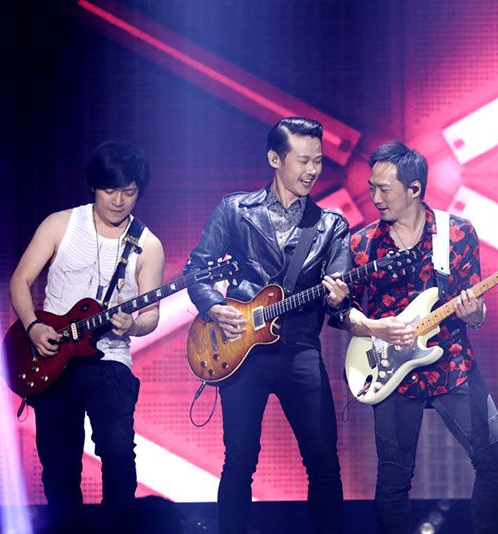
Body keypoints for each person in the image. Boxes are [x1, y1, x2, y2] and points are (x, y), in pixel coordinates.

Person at [183, 117, 350, 534]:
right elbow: (197, 269)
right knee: (239, 461)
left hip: (301, 350)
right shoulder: (235, 210)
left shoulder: (331, 225)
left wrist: (338, 298)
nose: (312, 170)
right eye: (304, 160)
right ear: (275, 158)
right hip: (242, 349)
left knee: (323, 462)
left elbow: (340, 295)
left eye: (319, 161)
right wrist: (213, 307)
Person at [336, 141, 498, 534]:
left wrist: (475, 314)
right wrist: (374, 327)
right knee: (393, 480)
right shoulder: (362, 244)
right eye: (372, 187)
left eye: (384, 189)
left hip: (451, 364)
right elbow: (341, 312)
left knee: (495, 460)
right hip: (389, 372)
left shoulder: (457, 233)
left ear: (414, 188)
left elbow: (476, 307)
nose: (375, 197)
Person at [8, 140, 165, 532]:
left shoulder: (148, 245)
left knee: (118, 454)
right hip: (53, 359)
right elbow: (20, 280)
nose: (119, 201)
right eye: (110, 190)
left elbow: (151, 316)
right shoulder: (60, 224)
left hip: (111, 362)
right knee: (59, 461)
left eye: (129, 192)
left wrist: (134, 325)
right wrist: (33, 326)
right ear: (94, 186)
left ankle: (119, 528)